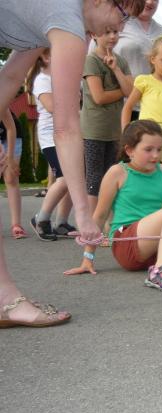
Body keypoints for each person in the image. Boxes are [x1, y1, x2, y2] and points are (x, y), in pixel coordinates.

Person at [0, 0, 145, 327]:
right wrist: (83, 212)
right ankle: (5, 300)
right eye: (122, 15)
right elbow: (65, 125)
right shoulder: (67, 23)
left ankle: (4, 299)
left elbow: (10, 77)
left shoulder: (51, 15)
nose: (120, 27)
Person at [64, 120, 162, 292]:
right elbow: (100, 215)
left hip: (157, 246)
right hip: (128, 245)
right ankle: (160, 270)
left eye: (159, 149)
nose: (155, 155)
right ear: (130, 150)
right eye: (148, 150)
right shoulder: (117, 173)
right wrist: (87, 258)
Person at [121, 36, 162, 199]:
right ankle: (143, 211)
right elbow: (127, 107)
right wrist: (126, 135)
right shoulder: (144, 81)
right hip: (149, 137)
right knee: (145, 180)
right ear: (153, 59)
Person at [82, 25, 133, 215]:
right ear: (94, 34)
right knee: (94, 179)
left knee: (112, 178)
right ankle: (91, 223)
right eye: (107, 32)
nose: (112, 36)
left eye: (115, 32)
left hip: (115, 130)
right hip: (94, 130)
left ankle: (108, 223)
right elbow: (99, 97)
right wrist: (124, 91)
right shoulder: (91, 60)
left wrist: (116, 69)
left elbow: (131, 93)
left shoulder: (121, 61)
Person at [27, 49, 77, 241]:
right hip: (51, 137)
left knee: (74, 178)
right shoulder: (42, 79)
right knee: (64, 178)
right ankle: (41, 219)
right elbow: (50, 106)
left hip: (69, 134)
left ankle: (61, 222)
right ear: (46, 57)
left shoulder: (63, 78)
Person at [112, 0, 162, 122]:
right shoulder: (118, 22)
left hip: (152, 107)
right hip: (119, 106)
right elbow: (95, 54)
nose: (150, 2)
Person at [0, 109, 27, 239]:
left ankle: (16, 225)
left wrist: (9, 158)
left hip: (10, 134)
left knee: (11, 177)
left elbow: (11, 128)